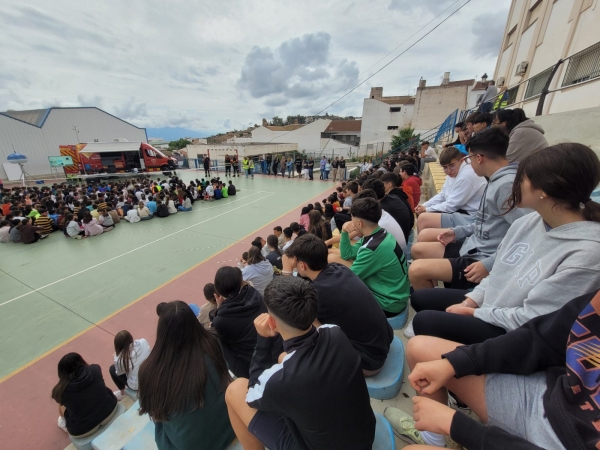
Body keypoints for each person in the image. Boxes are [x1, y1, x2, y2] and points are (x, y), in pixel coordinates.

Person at [409, 143, 600, 342]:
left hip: (515, 330)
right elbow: (500, 269)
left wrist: (476, 313)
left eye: (522, 179)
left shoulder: (586, 253)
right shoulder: (528, 221)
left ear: (544, 190)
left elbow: (535, 319)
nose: (514, 185)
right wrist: (472, 301)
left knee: (423, 323)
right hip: (493, 301)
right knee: (420, 299)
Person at [384, 289, 600, 449]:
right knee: (420, 349)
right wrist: (455, 363)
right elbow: (540, 338)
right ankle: (434, 440)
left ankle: (449, 435)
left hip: (562, 443)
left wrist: (459, 426)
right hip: (549, 395)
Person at [225, 276, 376, 449]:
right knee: (283, 357)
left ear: (272, 322)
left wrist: (263, 339)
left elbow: (251, 397)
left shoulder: (279, 381)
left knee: (235, 390)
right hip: (364, 439)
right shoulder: (334, 332)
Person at [409, 128, 530, 291]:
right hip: (473, 244)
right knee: (418, 249)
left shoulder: (506, 186)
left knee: (416, 271)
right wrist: (457, 232)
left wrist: (488, 264)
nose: (468, 163)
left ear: (479, 158)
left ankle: (435, 299)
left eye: (469, 158)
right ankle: (438, 292)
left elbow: (528, 234)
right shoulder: (496, 180)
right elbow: (484, 221)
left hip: (481, 257)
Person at [283, 234, 393, 375]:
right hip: (382, 342)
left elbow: (286, 305)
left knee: (304, 319)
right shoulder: (338, 268)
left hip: (369, 361)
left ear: (302, 265)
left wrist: (287, 271)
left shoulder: (317, 293)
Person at [138, 301, 236, 450]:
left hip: (189, 444)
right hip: (228, 428)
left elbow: (154, 413)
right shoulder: (212, 342)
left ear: (162, 331)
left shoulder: (149, 371)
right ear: (193, 324)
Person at [339, 197, 410, 317]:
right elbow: (347, 254)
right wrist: (344, 231)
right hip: (396, 295)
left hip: (388, 304)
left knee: (338, 297)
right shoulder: (380, 233)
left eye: (352, 217)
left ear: (359, 223)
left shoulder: (372, 248)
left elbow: (347, 281)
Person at [211, 266, 282, 378]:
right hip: (275, 349)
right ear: (240, 283)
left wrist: (219, 309)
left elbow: (218, 332)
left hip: (251, 364)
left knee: (217, 341)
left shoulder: (221, 321)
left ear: (218, 291)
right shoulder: (254, 294)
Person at [414, 146, 487, 238]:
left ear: (461, 161)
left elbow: (452, 206)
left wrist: (427, 209)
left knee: (423, 219)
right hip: (461, 212)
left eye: (451, 165)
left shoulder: (466, 177)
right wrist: (425, 205)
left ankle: (428, 247)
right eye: (445, 167)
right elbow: (443, 195)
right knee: (423, 215)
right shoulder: (455, 171)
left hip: (471, 218)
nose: (448, 170)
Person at [52, 353, 118, 437]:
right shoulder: (95, 369)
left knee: (62, 404)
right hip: (111, 410)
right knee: (97, 386)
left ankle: (63, 422)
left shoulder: (60, 390)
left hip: (83, 429)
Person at [109, 330, 151, 400]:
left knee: (112, 369)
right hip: (151, 374)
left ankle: (122, 393)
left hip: (138, 384)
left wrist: (115, 357)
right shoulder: (143, 341)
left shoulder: (120, 359)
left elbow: (119, 372)